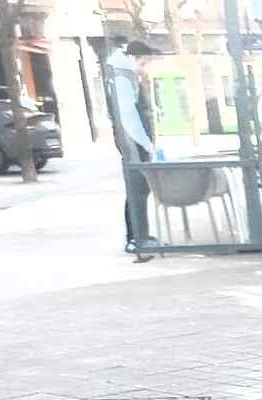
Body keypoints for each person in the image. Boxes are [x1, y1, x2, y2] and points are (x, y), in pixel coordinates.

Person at [106, 37, 159, 253]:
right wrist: (146, 144)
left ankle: (141, 234)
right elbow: (129, 117)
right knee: (136, 188)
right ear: (133, 58)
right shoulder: (122, 77)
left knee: (140, 189)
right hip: (132, 143)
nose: (144, 69)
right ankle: (135, 238)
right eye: (143, 63)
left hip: (133, 142)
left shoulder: (124, 74)